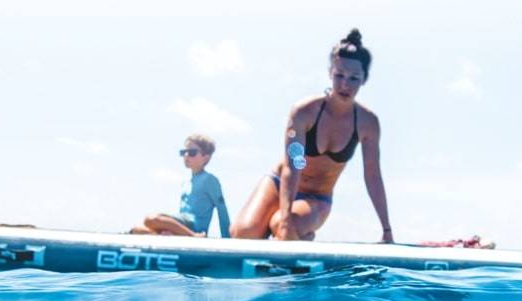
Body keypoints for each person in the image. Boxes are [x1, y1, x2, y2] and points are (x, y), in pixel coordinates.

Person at [231, 29, 393, 243]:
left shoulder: (367, 123)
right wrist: (287, 220)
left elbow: (373, 176)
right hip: (280, 182)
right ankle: (293, 232)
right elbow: (292, 166)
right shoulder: (303, 112)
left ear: (364, 79)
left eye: (354, 78)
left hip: (316, 197)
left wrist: (387, 230)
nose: (345, 84)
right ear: (330, 73)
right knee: (244, 234)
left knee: (279, 224)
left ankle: (299, 232)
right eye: (339, 76)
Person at [133, 134, 230, 237]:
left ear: (205, 157)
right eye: (184, 152)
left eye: (192, 152)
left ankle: (194, 236)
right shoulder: (186, 182)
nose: (186, 156)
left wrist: (227, 239)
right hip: (181, 224)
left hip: (194, 226)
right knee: (136, 229)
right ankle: (172, 236)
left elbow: (222, 210)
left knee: (150, 219)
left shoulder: (210, 180)